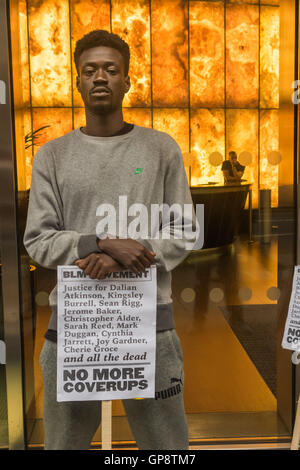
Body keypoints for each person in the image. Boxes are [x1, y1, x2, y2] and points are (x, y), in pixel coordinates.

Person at [24, 30, 198, 450]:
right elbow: (38, 240)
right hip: (77, 326)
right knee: (65, 444)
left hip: (149, 323)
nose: (100, 76)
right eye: (90, 70)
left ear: (127, 80)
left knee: (166, 448)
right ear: (77, 81)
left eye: (110, 69)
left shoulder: (160, 149)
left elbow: (183, 230)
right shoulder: (52, 156)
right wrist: (98, 243)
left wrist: (123, 257)